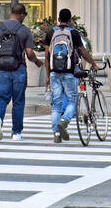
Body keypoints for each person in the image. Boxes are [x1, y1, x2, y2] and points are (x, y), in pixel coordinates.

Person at [41, 9, 96, 144]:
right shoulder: (73, 33)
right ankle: (64, 121)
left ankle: (56, 133)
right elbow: (82, 51)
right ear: (70, 20)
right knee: (72, 100)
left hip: (54, 73)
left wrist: (47, 75)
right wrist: (93, 63)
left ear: (58, 19)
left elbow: (47, 56)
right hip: (70, 72)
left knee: (56, 105)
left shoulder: (50, 33)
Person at [0, 3, 38, 142]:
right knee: (18, 101)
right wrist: (36, 61)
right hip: (19, 69)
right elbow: (29, 53)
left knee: (1, 98)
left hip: (2, 68)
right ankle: (16, 133)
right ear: (22, 14)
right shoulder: (24, 30)